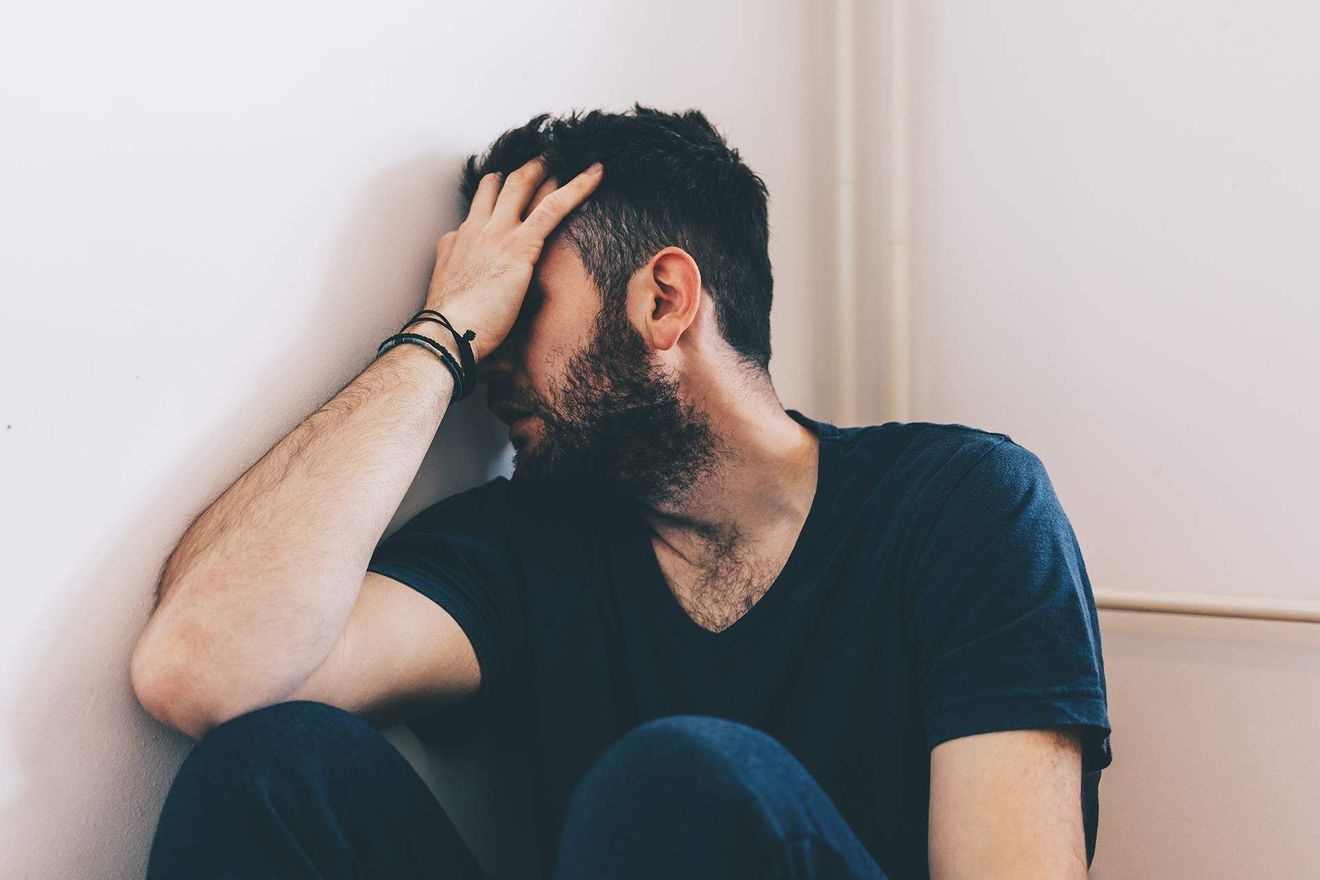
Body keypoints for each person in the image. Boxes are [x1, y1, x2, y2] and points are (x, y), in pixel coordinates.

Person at [131, 104, 1112, 880]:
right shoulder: (531, 540)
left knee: (683, 774)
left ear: (663, 298)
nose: (490, 362)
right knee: (271, 766)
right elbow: (202, 671)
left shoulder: (964, 506)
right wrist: (436, 335)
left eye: (519, 305)